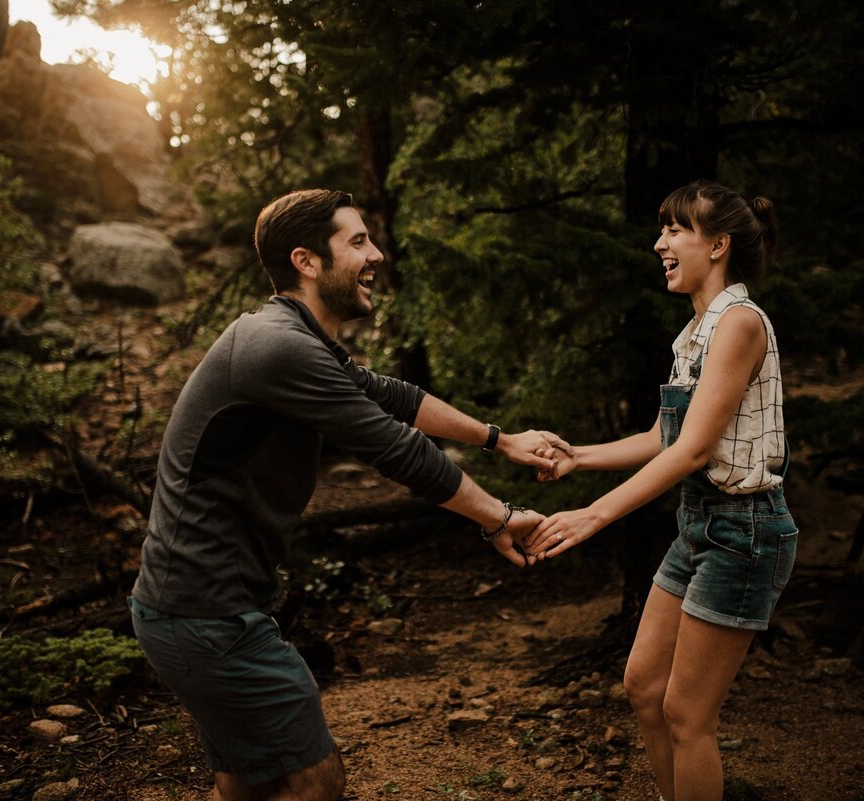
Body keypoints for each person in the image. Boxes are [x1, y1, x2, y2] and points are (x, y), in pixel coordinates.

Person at [128, 188, 568, 801]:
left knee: (248, 785)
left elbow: (393, 396)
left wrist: (501, 439)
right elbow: (394, 446)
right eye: (357, 242)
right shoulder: (277, 347)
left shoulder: (292, 339)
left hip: (196, 607)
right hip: (205, 612)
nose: (377, 254)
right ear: (307, 261)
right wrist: (500, 518)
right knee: (317, 781)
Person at [524, 181, 797, 801]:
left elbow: (695, 451)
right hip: (700, 526)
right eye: (663, 230)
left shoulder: (741, 323)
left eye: (675, 230)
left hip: (744, 531)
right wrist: (577, 458)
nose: (660, 244)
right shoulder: (696, 332)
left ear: (719, 244)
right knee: (644, 687)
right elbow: (664, 436)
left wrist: (593, 516)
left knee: (687, 715)